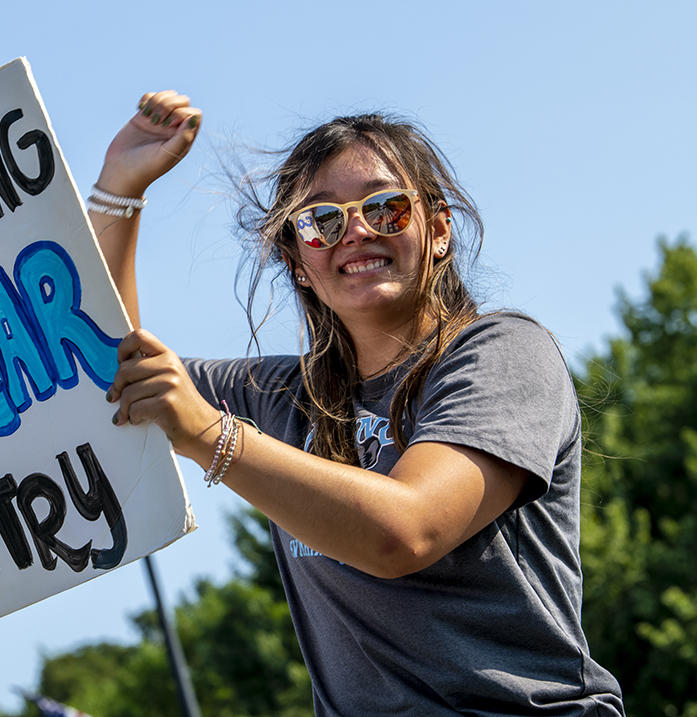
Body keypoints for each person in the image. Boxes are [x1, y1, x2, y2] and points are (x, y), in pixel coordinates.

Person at [89, 91, 625, 715]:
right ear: (297, 261)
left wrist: (210, 436)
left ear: (441, 229)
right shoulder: (281, 398)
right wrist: (119, 192)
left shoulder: (504, 353)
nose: (358, 231)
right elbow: (105, 370)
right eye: (321, 220)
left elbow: (404, 532)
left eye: (386, 206)